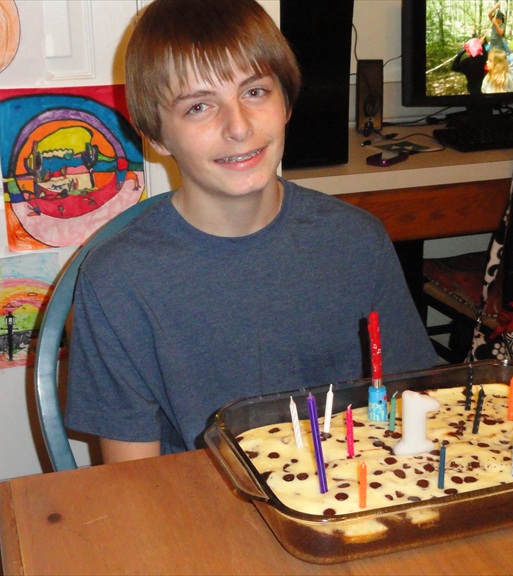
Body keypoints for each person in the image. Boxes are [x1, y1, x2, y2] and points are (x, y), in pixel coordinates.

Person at [65, 0, 437, 464]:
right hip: (203, 501)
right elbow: (134, 480)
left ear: (286, 102)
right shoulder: (117, 281)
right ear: (156, 135)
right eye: (199, 106)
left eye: (255, 92)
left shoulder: (358, 242)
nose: (238, 127)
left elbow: (412, 412)